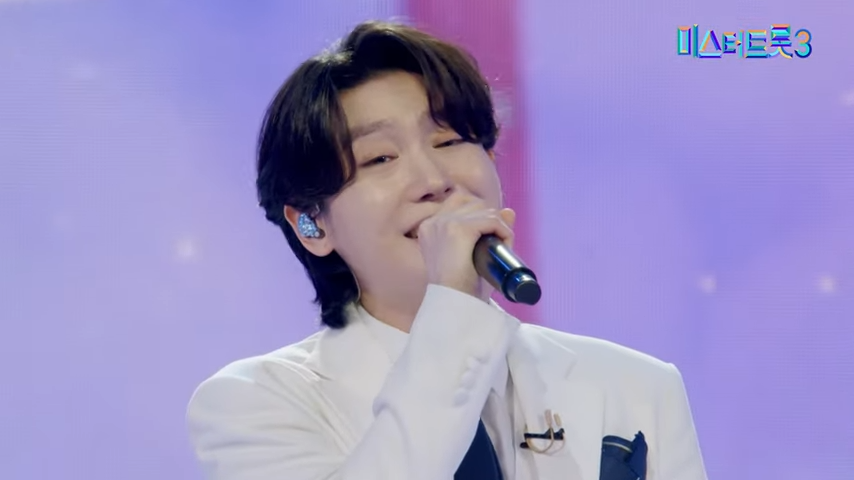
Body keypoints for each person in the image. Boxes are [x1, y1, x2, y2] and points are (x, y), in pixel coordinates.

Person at [186, 20, 708, 480]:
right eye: (381, 158)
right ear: (311, 224)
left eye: (449, 141)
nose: (434, 180)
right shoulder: (255, 403)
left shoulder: (636, 387)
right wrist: (452, 306)